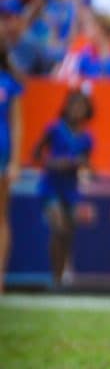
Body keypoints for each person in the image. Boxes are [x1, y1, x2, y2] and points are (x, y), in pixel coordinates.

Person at [32, 90, 93, 288]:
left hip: (71, 189)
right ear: (66, 107)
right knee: (58, 228)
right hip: (51, 186)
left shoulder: (87, 138)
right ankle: (55, 276)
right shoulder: (54, 129)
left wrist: (79, 164)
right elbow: (37, 153)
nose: (77, 111)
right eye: (74, 106)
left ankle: (64, 273)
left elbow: (86, 163)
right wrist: (52, 163)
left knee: (68, 232)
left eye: (81, 107)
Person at [0, 46, 23, 295]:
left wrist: (16, 161)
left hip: (1, 155)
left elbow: (17, 124)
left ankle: (0, 276)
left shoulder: (8, 81)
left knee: (1, 216)